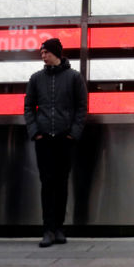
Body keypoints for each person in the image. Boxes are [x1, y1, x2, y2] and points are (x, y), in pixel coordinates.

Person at [24, 38, 87, 248]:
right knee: (47, 184)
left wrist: (73, 133)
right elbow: (28, 107)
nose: (43, 56)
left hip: (64, 139)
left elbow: (81, 107)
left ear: (56, 53)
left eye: (46, 52)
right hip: (44, 140)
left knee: (61, 183)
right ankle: (48, 229)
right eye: (42, 53)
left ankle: (58, 227)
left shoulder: (74, 78)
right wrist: (35, 132)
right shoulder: (36, 78)